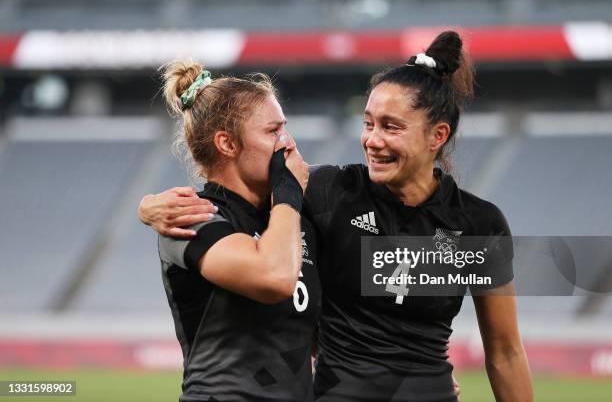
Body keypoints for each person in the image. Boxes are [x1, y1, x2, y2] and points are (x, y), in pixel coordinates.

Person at [141, 32, 532, 401]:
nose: (372, 140)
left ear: (438, 136)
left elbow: (506, 352)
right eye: (368, 123)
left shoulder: (479, 224)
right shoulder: (327, 193)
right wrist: (150, 207)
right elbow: (261, 200)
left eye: (391, 127)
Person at [155, 61, 321, 402]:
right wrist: (289, 192)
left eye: (284, 128)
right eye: (272, 131)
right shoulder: (191, 217)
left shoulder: (291, 214)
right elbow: (274, 277)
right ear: (227, 144)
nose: (287, 143)